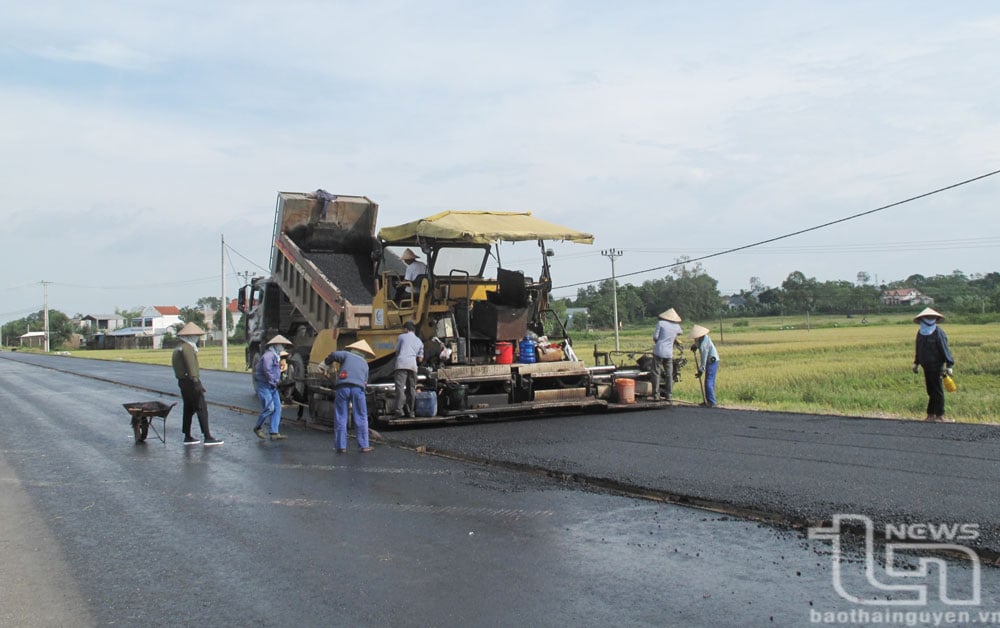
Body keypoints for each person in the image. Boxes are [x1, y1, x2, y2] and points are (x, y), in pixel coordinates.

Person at [171, 322, 223, 446]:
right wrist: (196, 381)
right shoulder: (187, 348)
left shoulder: (179, 346)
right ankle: (207, 436)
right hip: (190, 381)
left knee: (188, 408)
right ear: (190, 336)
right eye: (195, 336)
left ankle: (187, 435)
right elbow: (191, 366)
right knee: (201, 408)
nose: (197, 338)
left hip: (183, 381)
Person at [321, 339, 376, 453]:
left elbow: (334, 355)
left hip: (343, 387)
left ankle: (341, 446)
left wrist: (326, 362)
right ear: (365, 353)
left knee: (341, 415)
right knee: (361, 415)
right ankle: (364, 445)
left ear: (353, 349)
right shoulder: (365, 364)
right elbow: (365, 382)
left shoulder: (346, 355)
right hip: (358, 390)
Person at [911, 307, 955, 422]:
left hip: (937, 366)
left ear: (935, 319)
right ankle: (930, 415)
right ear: (923, 319)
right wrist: (916, 363)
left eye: (931, 317)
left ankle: (939, 415)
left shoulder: (938, 333)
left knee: (938, 390)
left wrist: (949, 365)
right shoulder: (920, 333)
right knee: (930, 390)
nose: (929, 319)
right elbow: (918, 349)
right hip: (926, 366)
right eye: (927, 317)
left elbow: (945, 349)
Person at [254, 335, 292, 440]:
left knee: (277, 408)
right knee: (270, 408)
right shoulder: (268, 356)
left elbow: (275, 370)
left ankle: (274, 432)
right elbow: (267, 370)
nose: (283, 348)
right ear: (276, 345)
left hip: (272, 386)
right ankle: (257, 427)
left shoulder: (276, 356)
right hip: (265, 385)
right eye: (282, 345)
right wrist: (274, 380)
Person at [650, 308, 683, 401]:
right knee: (669, 374)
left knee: (656, 373)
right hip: (669, 353)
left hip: (659, 351)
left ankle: (656, 395)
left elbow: (655, 337)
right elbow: (680, 332)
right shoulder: (676, 326)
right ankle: (669, 395)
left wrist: (659, 341)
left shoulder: (660, 323)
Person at [393, 321, 424, 417]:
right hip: (413, 366)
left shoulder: (402, 337)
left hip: (401, 365)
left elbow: (397, 352)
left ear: (406, 329)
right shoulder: (419, 341)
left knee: (400, 388)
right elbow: (420, 359)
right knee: (411, 389)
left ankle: (399, 411)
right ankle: (411, 412)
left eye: (403, 329)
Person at [690, 324, 719, 408]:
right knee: (709, 382)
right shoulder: (700, 339)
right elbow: (697, 344)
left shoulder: (704, 342)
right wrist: (695, 345)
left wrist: (701, 369)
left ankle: (712, 402)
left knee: (708, 382)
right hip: (709, 360)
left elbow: (704, 357)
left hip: (712, 361)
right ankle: (708, 400)